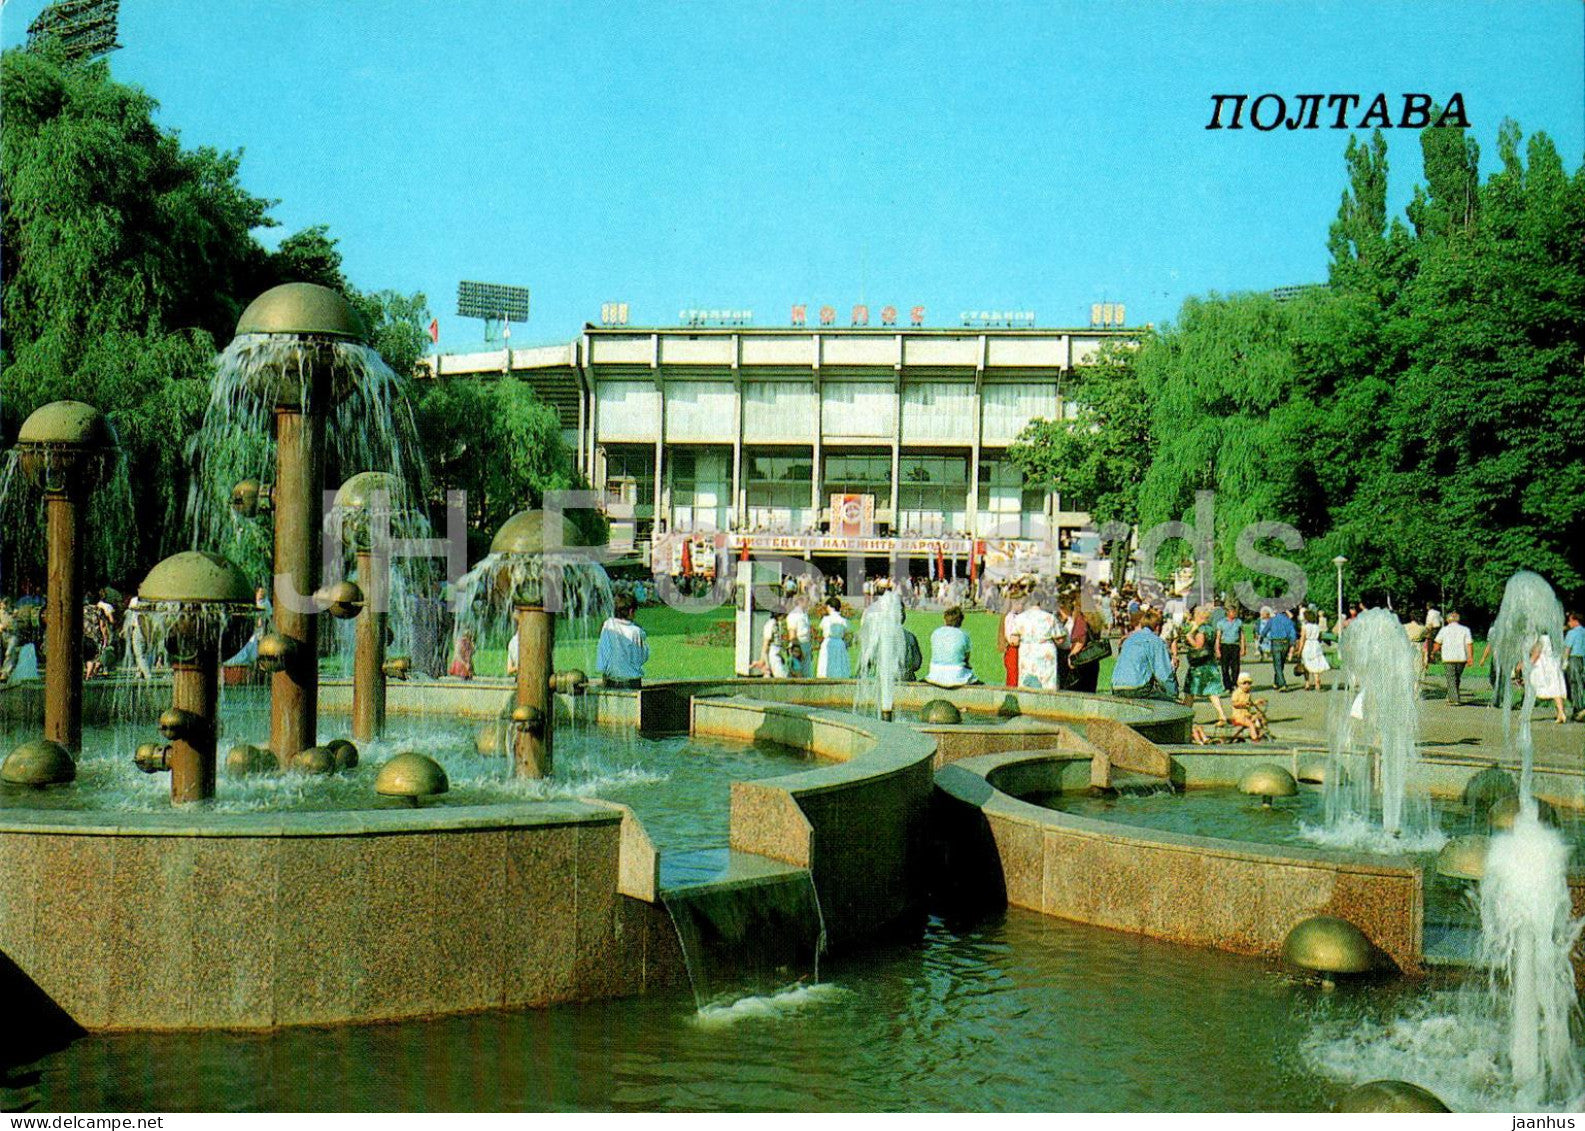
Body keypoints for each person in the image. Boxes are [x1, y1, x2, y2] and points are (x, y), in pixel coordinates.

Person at [1110, 609, 1179, 702]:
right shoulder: (1155, 641)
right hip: (1138, 688)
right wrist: (1174, 694)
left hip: (1116, 687)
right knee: (1169, 705)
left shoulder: (1129, 639)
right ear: (1158, 627)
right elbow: (1164, 675)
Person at [1182, 606, 1228, 724]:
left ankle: (1184, 716)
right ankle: (1222, 715)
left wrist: (1189, 638)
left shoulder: (1201, 630)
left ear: (1199, 616)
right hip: (1210, 663)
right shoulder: (1211, 628)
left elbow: (1199, 646)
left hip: (1200, 666)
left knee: (1190, 692)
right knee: (1212, 692)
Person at [596, 592, 649, 688]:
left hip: (611, 678)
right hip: (632, 680)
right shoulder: (636, 631)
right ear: (631, 611)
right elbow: (642, 657)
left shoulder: (608, 625)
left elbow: (603, 652)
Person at [1013, 591, 1060, 691]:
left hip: (1027, 651)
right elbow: (1060, 639)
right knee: (1047, 682)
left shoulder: (1020, 618)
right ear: (1042, 602)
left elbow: (1014, 640)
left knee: (1027, 679)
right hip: (1046, 650)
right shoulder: (1050, 617)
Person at [926, 606, 980, 688]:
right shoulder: (964, 635)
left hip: (934, 673)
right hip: (956, 674)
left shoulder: (935, 633)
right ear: (960, 621)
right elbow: (966, 660)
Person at [1060, 594, 1103, 693]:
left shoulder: (1081, 619)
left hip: (1082, 659)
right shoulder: (1095, 620)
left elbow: (1080, 641)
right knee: (1089, 691)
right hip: (1092, 660)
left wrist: (1071, 657)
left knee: (1077, 691)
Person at [1431, 611, 1474, 706]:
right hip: (1461, 657)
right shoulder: (1465, 629)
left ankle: (1454, 699)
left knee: (1451, 678)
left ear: (1447, 620)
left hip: (1448, 657)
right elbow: (1469, 644)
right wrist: (1470, 657)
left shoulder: (1444, 630)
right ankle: (1452, 696)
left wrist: (1433, 652)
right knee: (1456, 678)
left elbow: (1437, 643)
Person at [1527, 633, 1569, 724]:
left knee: (1532, 688)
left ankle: (1526, 713)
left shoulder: (1541, 639)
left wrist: (1529, 664)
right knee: (1556, 688)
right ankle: (1561, 712)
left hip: (1543, 666)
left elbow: (1536, 653)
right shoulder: (1554, 637)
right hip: (1553, 664)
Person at [1260, 606, 1298, 692]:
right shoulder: (1288, 621)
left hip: (1276, 643)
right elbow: (1292, 633)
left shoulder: (1272, 620)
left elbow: (1265, 630)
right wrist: (1292, 644)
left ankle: (1283, 684)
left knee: (1277, 664)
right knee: (1281, 663)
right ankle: (1276, 682)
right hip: (1285, 643)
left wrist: (1261, 638)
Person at [816, 597, 851, 679]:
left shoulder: (825, 619)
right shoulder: (843, 620)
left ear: (831, 607)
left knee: (826, 661)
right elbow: (847, 633)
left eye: (827, 606)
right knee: (838, 661)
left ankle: (825, 676)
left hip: (828, 641)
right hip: (839, 642)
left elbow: (821, 630)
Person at [997, 590, 1025, 688]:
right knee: (1013, 675)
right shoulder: (1011, 617)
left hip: (1019, 649)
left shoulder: (1019, 616)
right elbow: (1011, 635)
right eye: (1021, 604)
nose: (1022, 606)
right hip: (1013, 648)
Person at [1229, 671, 1268, 741]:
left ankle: (1261, 731)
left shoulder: (1248, 693)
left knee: (1260, 716)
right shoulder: (1236, 693)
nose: (1247, 685)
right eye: (1244, 683)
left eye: (1249, 683)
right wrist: (1243, 703)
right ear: (1239, 684)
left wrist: (1257, 702)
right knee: (1250, 724)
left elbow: (1250, 703)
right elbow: (1234, 703)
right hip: (1238, 716)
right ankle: (1255, 738)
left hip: (1247, 715)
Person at [1298, 608, 1330, 691]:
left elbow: (1302, 639)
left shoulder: (1304, 627)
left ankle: (1307, 683)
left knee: (1306, 664)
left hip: (1308, 645)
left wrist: (1299, 650)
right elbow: (1319, 637)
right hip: (1316, 645)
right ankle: (1317, 682)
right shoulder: (1317, 627)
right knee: (1316, 664)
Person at [1215, 604, 1244, 693]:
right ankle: (1227, 685)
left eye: (1235, 612)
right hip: (1225, 646)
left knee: (1235, 667)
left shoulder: (1238, 622)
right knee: (1224, 667)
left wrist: (1243, 647)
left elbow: (1242, 636)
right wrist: (1217, 649)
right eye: (1232, 612)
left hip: (1235, 646)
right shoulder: (1221, 623)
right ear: (1228, 613)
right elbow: (1218, 637)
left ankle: (1234, 683)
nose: (1234, 613)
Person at [1565, 611, 1585, 722]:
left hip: (1574, 659)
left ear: (1575, 620)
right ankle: (1581, 706)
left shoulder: (1572, 633)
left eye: (1570, 620)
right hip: (1583, 659)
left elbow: (1567, 648)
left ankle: (1579, 708)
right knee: (1581, 683)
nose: (1569, 623)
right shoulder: (1584, 632)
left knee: (1574, 683)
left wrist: (1564, 661)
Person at [786, 595, 813, 677]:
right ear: (800, 602)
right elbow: (792, 634)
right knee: (797, 672)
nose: (809, 604)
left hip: (806, 644)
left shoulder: (805, 614)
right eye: (806, 601)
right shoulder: (794, 615)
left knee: (806, 672)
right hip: (798, 645)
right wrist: (798, 650)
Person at [760, 607, 788, 679]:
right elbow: (766, 643)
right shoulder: (771, 624)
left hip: (778, 651)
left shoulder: (778, 623)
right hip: (773, 651)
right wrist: (765, 662)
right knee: (780, 675)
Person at [898, 606, 923, 683]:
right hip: (906, 679)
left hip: (885, 680)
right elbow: (916, 664)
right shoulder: (910, 636)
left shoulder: (880, 637)